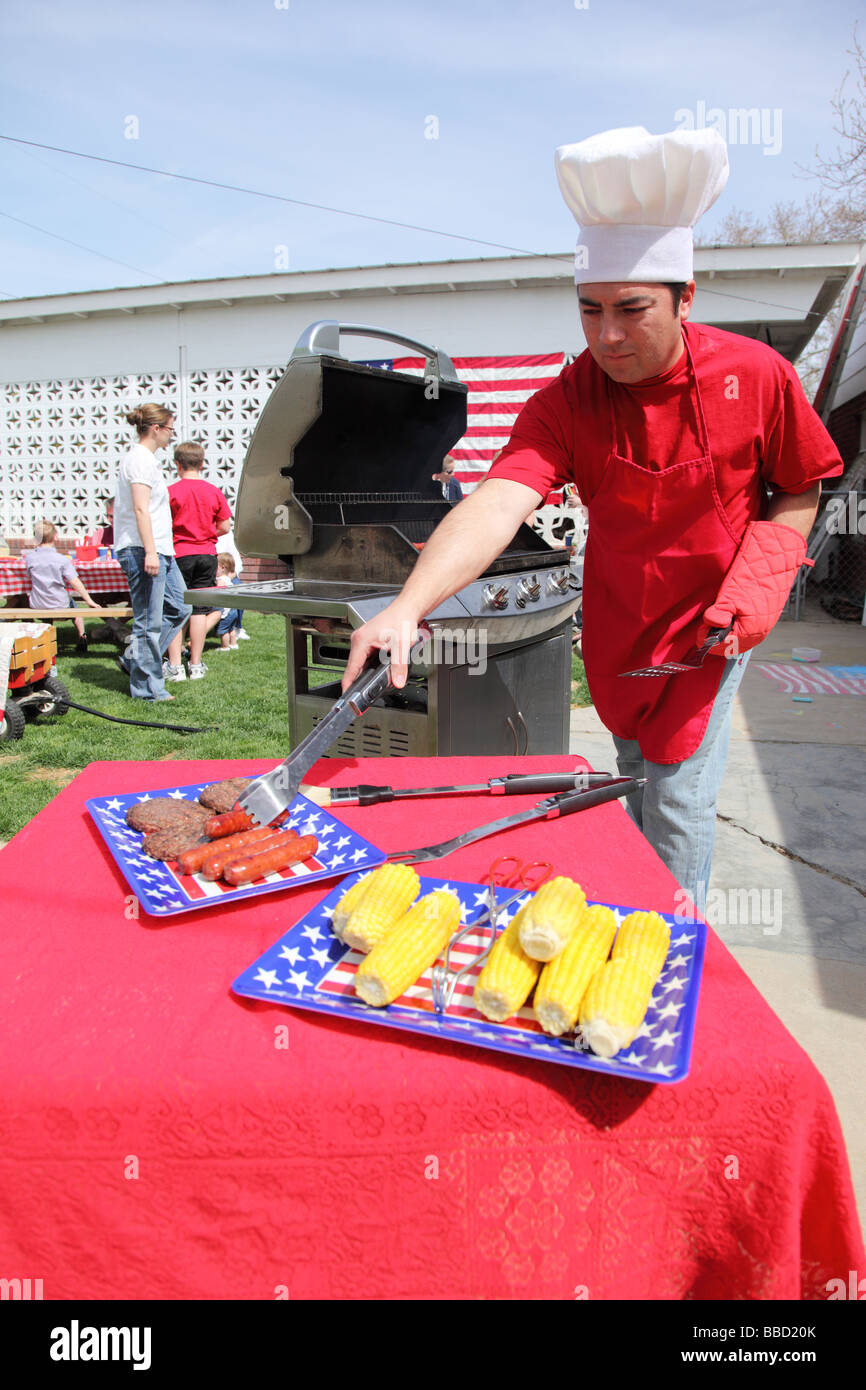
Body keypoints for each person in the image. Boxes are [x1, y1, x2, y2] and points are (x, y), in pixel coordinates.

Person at [342, 126, 843, 915]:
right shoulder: (568, 400)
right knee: (634, 775)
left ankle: (675, 953)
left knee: (677, 798)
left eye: (633, 310)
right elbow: (501, 499)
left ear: (686, 299)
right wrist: (408, 607)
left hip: (712, 625)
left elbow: (803, 487)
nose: (608, 336)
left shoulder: (758, 376)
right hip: (619, 627)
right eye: (590, 311)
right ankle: (639, 920)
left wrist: (760, 584)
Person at [113, 403, 192, 702]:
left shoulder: (149, 461)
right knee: (149, 622)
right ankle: (148, 690)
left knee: (180, 607)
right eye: (170, 429)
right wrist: (149, 552)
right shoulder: (139, 461)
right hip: (143, 549)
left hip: (161, 548)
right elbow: (139, 508)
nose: (172, 435)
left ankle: (136, 660)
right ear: (156, 429)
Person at [163, 442, 232, 681]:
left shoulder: (170, 491)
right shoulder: (213, 491)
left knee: (174, 608)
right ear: (202, 464)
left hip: (179, 554)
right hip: (206, 554)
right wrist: (205, 533)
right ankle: (195, 664)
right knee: (200, 610)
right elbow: (224, 526)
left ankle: (174, 666)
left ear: (177, 464)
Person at [24, 519, 103, 651]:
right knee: (76, 611)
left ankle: (45, 638)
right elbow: (75, 582)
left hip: (38, 604)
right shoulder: (61, 560)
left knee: (46, 609)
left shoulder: (30, 558)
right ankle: (82, 636)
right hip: (60, 604)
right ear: (55, 537)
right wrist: (89, 600)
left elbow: (28, 577)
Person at [204, 552, 244, 650]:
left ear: (222, 568)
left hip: (226, 611)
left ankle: (225, 646)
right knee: (231, 629)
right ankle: (234, 644)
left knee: (223, 631)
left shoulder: (221, 580)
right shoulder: (229, 579)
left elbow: (218, 591)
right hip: (233, 610)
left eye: (215, 567)